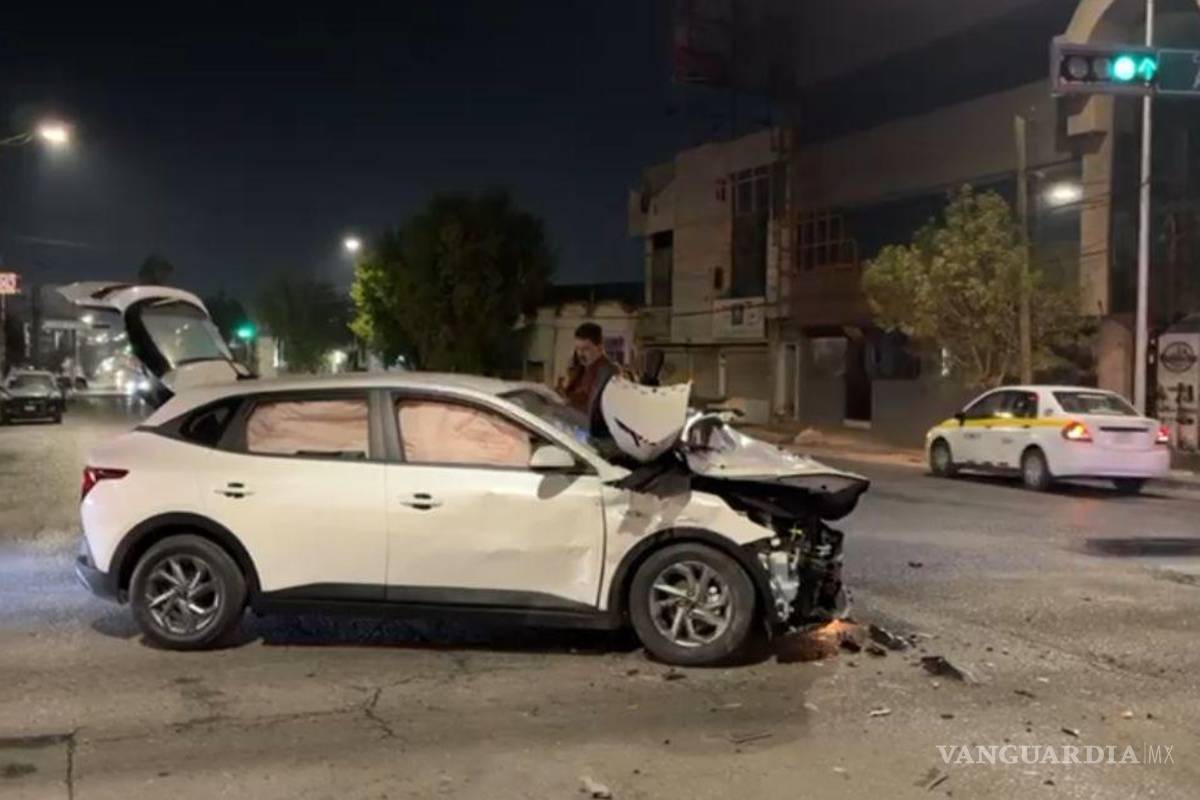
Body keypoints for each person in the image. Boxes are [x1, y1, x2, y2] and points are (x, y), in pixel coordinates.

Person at [559, 322, 616, 416]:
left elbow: (594, 406)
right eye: (578, 349)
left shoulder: (608, 372)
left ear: (600, 347)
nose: (580, 354)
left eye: (586, 349)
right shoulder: (581, 368)